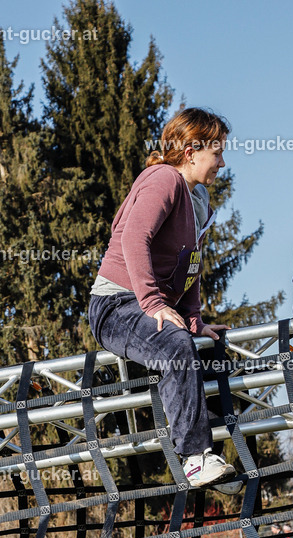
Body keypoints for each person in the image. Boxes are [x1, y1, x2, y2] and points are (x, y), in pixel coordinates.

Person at [88, 107, 240, 494]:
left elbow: (191, 265)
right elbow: (132, 239)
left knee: (211, 351)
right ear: (191, 151)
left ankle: (225, 458)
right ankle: (193, 458)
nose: (222, 162)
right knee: (175, 346)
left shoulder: (198, 199)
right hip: (116, 306)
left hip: (146, 304)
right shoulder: (163, 179)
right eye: (217, 153)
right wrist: (155, 303)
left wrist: (195, 319)